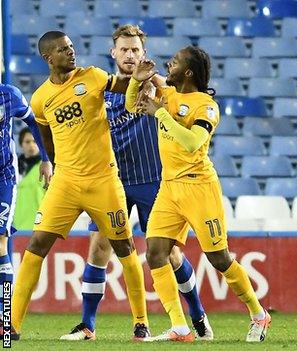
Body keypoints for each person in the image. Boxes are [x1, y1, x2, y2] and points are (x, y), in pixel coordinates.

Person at [59, 24, 213, 342]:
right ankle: (87, 324)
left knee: (169, 254)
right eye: (124, 49)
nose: (130, 55)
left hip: (153, 181)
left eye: (135, 50)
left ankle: (198, 314)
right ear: (113, 52)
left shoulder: (158, 86)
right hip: (112, 180)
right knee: (99, 247)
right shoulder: (99, 88)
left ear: (144, 54)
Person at [10, 31, 149, 341]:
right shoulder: (41, 98)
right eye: (63, 49)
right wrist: (53, 163)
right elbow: (46, 137)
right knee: (36, 245)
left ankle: (141, 322)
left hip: (104, 180)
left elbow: (124, 85)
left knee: (124, 246)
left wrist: (137, 79)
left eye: (72, 47)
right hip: (67, 183)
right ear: (49, 58)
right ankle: (12, 325)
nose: (71, 52)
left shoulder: (93, 76)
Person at [126, 46, 271, 342]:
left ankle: (259, 314)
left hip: (199, 188)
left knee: (219, 259)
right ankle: (179, 326)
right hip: (169, 187)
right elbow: (133, 106)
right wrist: (136, 81)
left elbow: (193, 142)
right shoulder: (166, 94)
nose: (169, 63)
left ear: (188, 72)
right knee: (155, 253)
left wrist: (161, 115)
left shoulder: (206, 106)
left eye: (175, 62)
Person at [0, 85, 51, 321]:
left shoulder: (8, 94)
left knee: (0, 243)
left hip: (4, 179)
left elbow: (34, 122)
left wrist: (46, 158)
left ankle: (4, 315)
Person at [13, 128, 47, 230]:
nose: (31, 145)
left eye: (35, 141)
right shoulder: (13, 168)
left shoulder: (47, 168)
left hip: (40, 225)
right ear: (21, 144)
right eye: (27, 142)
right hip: (16, 225)